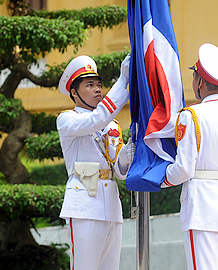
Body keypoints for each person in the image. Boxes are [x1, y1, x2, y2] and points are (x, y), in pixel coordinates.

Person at [163, 43, 218, 270]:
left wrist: (161, 178)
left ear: (200, 82)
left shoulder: (191, 115)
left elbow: (183, 169)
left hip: (201, 208)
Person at [57, 55, 133, 270]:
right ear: (74, 92)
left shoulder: (111, 124)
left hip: (110, 205)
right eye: (89, 85)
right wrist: (123, 81)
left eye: (99, 85)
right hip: (84, 206)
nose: (97, 89)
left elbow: (119, 170)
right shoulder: (67, 119)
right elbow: (95, 120)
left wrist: (129, 150)